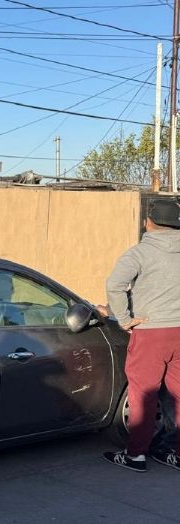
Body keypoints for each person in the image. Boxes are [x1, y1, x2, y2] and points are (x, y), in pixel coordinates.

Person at [103, 198, 180, 472]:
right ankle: (173, 451)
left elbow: (115, 285)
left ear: (148, 222)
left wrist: (124, 319)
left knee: (143, 394)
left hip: (151, 332)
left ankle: (136, 455)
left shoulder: (140, 253)